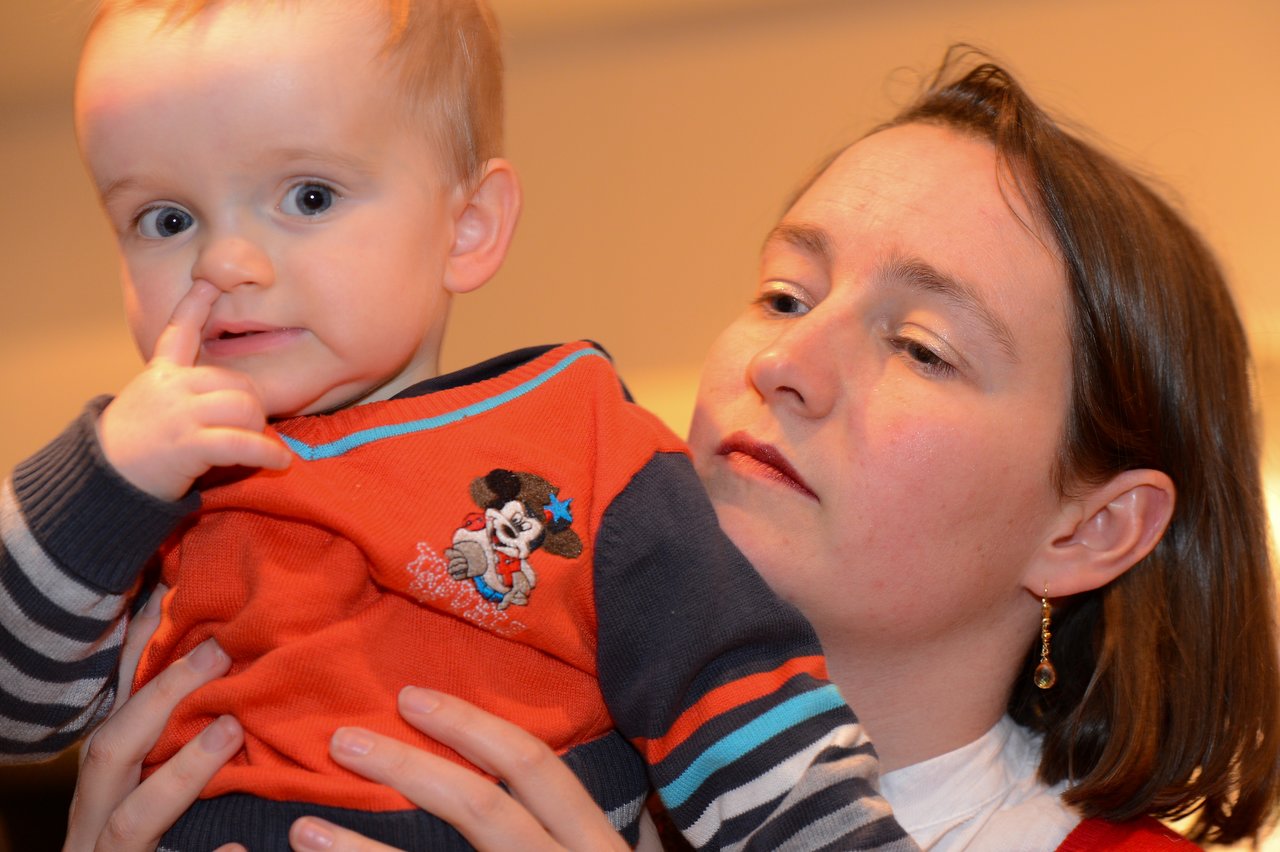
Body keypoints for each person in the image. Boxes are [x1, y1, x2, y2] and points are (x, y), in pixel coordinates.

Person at [59, 47, 1280, 851]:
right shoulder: (371, 691)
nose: (780, 366)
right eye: (785, 296)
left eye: (919, 345)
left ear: (1087, 528)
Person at [0, 0, 917, 849]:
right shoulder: (148, 474)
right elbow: (17, 714)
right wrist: (102, 482)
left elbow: (734, 695)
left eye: (309, 197)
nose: (226, 259)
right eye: (164, 219)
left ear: (468, 226)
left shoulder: (579, 438)